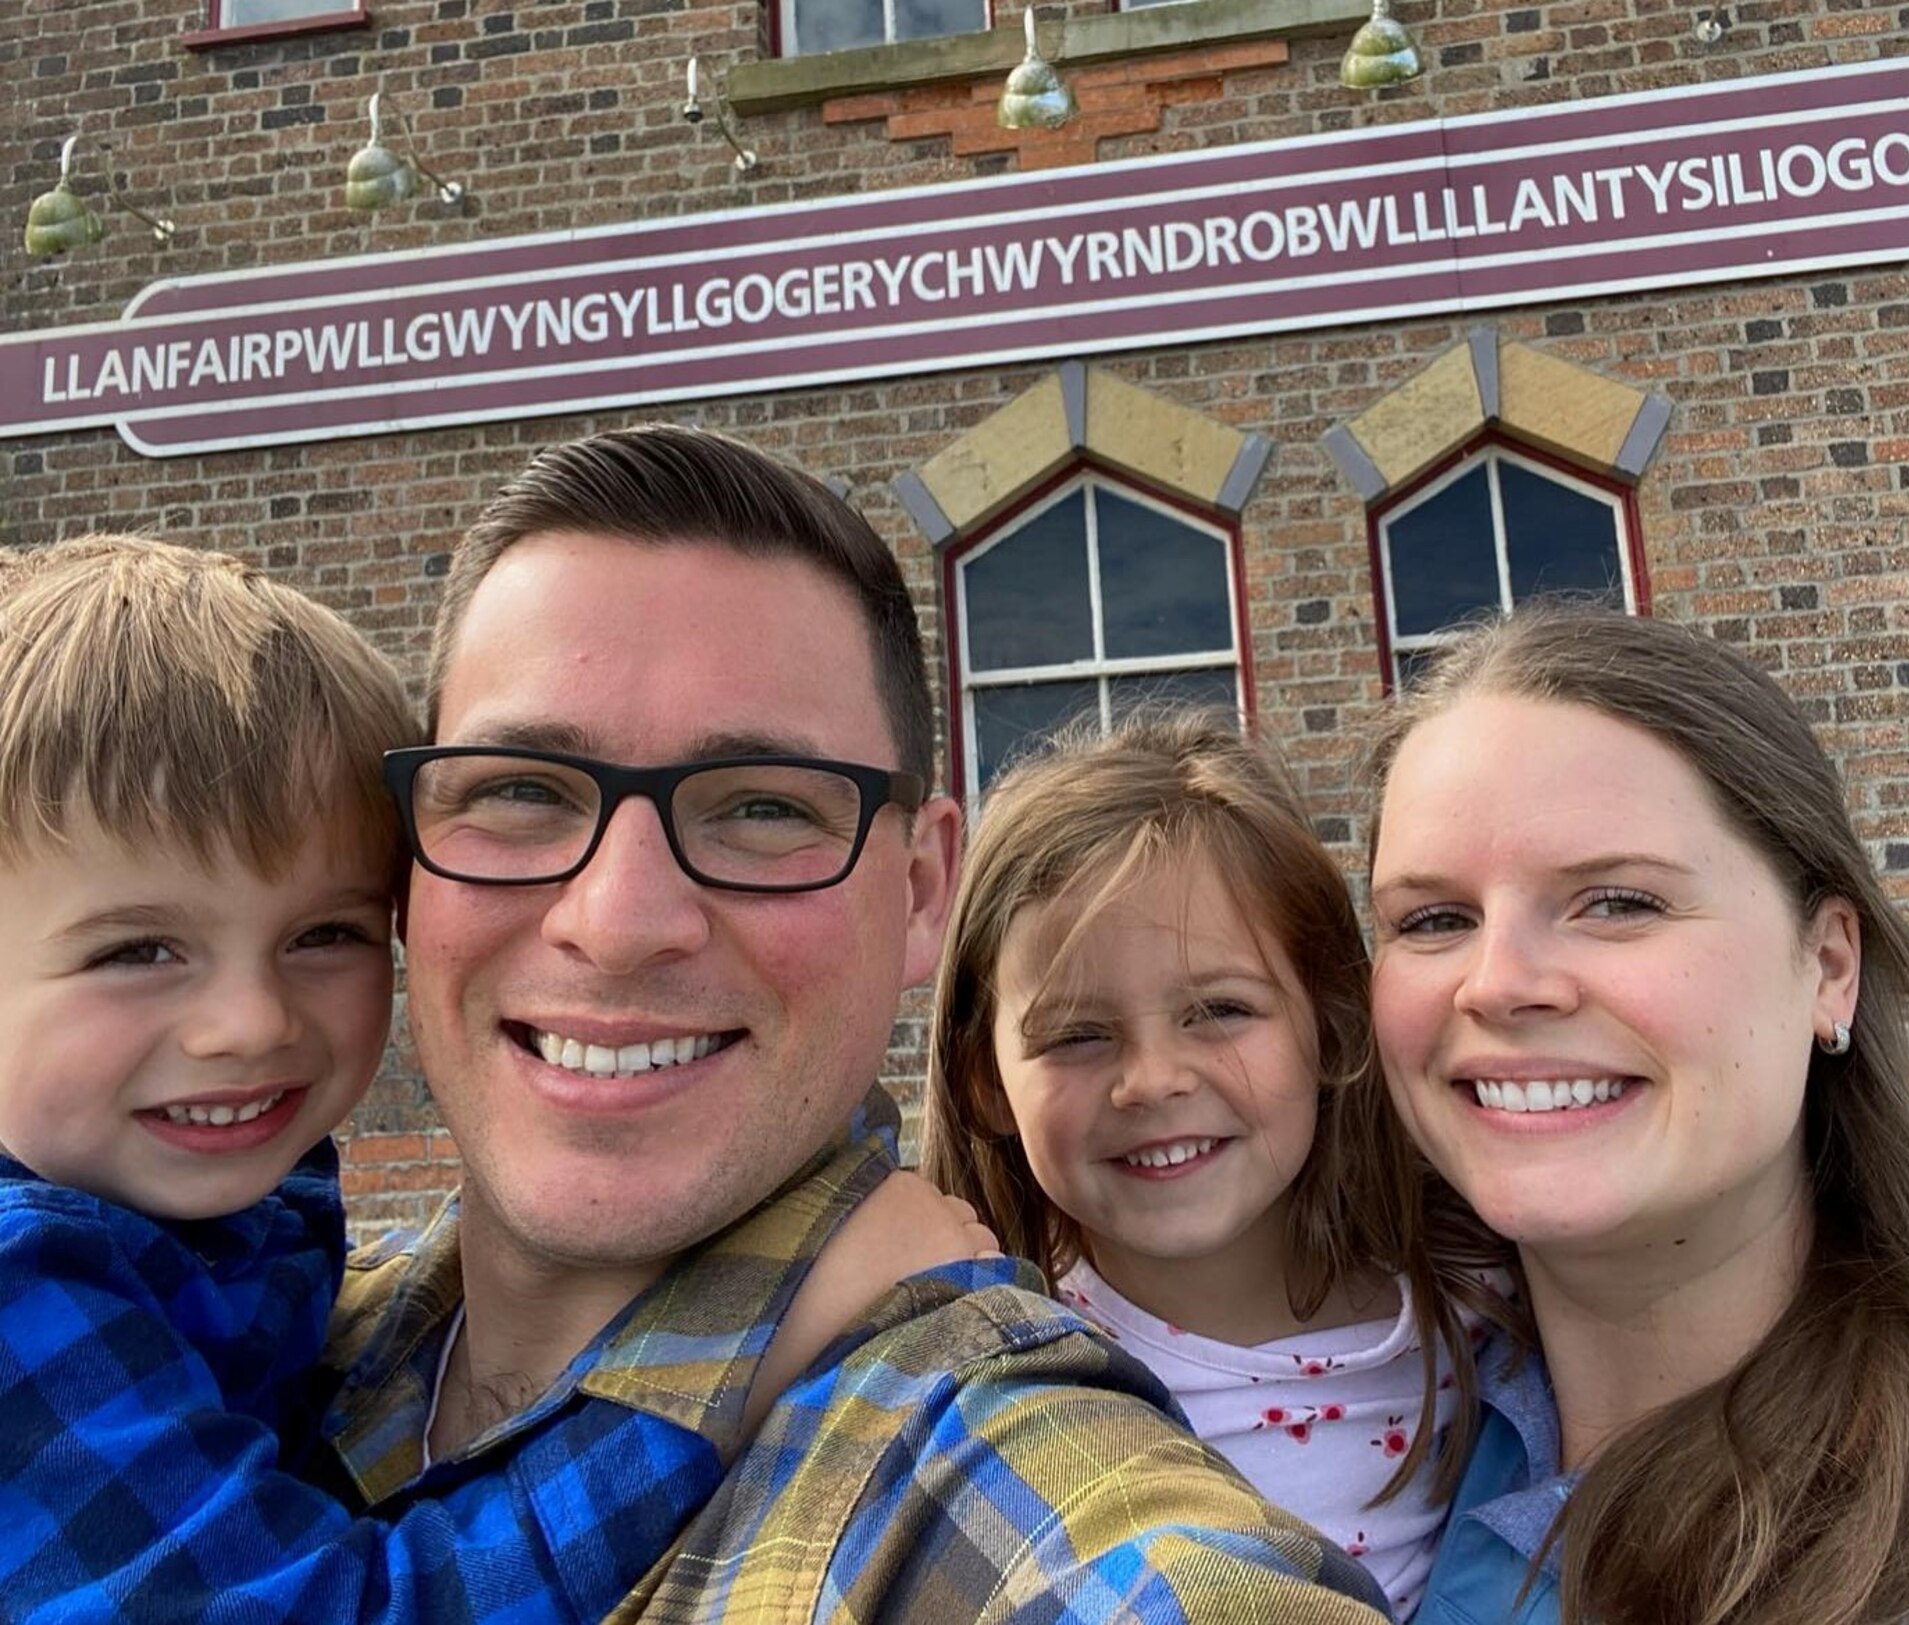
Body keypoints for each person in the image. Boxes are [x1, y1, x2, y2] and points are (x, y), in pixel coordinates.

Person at [313, 424, 1394, 1622]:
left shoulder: (992, 1480)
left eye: (763, 807)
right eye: (520, 790)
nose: (618, 919)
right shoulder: (226, 1328)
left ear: (921, 888)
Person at [0, 534, 988, 1624]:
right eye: (136, 950)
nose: (248, 1023)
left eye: (325, 932)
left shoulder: (251, 1236)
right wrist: (752, 1350)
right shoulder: (22, 1289)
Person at [1362, 603, 1909, 1624]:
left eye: (1616, 901)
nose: (1495, 983)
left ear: (1828, 965)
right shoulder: (1358, 1410)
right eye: (1433, 919)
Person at [920, 711, 1501, 1621]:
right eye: (1077, 1035)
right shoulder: (987, 1366)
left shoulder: (1476, 1292)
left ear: (1330, 1023)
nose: (1151, 1081)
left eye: (1220, 1010)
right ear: (985, 1080)